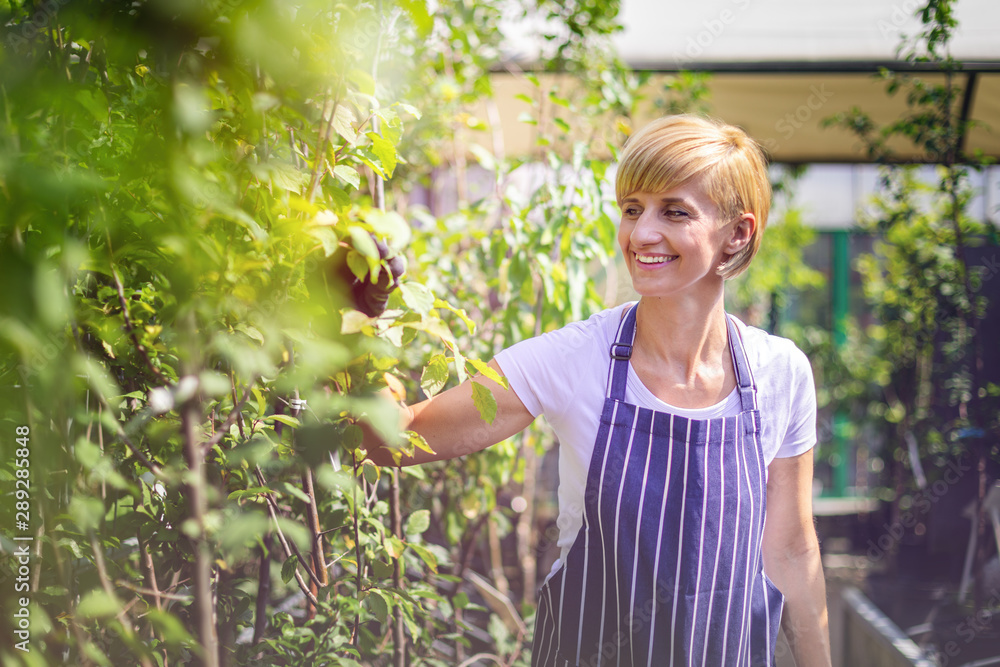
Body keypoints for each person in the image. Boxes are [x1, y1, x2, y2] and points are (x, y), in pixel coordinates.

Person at [367, 114, 831, 667]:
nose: (641, 234)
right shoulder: (573, 358)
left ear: (738, 232)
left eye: (674, 211)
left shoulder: (781, 373)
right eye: (632, 209)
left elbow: (791, 552)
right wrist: (345, 327)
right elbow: (399, 439)